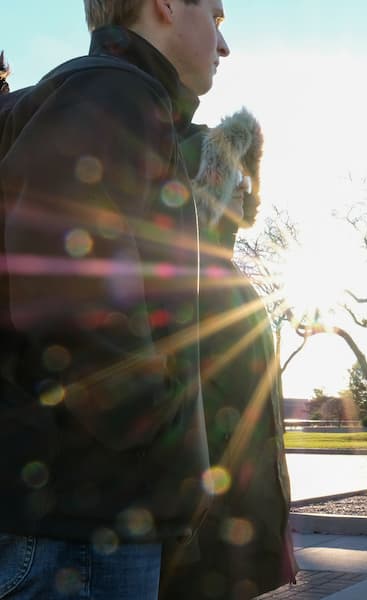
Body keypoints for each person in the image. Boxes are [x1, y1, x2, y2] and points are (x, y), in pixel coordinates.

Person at [0, 1, 230, 598]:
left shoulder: (92, 97)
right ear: (167, 5)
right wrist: (150, 423)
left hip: (71, 511)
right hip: (83, 520)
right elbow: (61, 269)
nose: (224, 45)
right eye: (218, 17)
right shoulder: (114, 93)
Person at [159, 108, 299, 599]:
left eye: (247, 174)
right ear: (202, 184)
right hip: (205, 522)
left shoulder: (228, 274)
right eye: (231, 174)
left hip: (245, 508)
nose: (244, 185)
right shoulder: (188, 277)